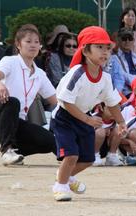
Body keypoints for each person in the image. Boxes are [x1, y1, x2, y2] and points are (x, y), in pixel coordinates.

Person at [51, 26, 127, 201]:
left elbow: (113, 103)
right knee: (71, 155)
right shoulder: (76, 74)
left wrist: (122, 123)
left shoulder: (106, 78)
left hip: (85, 118)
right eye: (99, 47)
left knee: (87, 159)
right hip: (64, 118)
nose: (105, 52)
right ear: (85, 50)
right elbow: (66, 101)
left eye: (108, 48)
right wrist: (87, 119)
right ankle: (60, 186)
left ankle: (65, 176)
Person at [0, 24, 57, 165]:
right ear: (18, 44)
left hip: (15, 123)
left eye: (36, 42)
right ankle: (7, 150)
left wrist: (83, 112)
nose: (33, 45)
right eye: (28, 41)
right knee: (12, 102)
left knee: (49, 141)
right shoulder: (10, 61)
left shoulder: (40, 74)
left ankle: (15, 152)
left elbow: (56, 100)